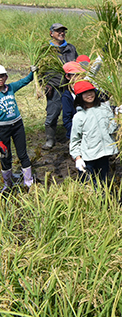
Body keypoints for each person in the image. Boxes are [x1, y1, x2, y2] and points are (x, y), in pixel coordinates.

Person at [69, 80, 118, 185]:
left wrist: (118, 116)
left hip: (103, 154)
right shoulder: (79, 117)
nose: (90, 94)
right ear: (80, 96)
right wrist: (77, 158)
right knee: (87, 184)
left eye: (91, 91)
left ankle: (103, 200)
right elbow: (75, 139)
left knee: (103, 182)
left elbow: (111, 129)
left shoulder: (104, 108)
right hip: (88, 156)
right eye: (85, 92)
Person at [0, 64, 37, 192]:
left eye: (2, 76)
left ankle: (28, 182)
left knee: (22, 154)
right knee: (5, 156)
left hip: (17, 126)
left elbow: (24, 81)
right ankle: (7, 184)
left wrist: (32, 73)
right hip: (2, 130)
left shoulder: (10, 88)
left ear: (6, 77)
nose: (0, 78)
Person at [41, 22, 78, 149]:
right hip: (54, 86)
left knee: (73, 112)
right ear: (51, 33)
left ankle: (73, 137)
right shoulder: (46, 50)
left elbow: (77, 65)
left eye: (63, 31)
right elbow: (40, 70)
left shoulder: (71, 48)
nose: (61, 33)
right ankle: (50, 139)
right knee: (52, 113)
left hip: (70, 86)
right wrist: (43, 85)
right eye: (58, 31)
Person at [60, 62, 86, 142]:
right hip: (77, 135)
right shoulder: (67, 97)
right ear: (67, 77)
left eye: (80, 74)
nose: (79, 77)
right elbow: (67, 120)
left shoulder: (87, 90)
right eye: (75, 75)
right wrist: (78, 132)